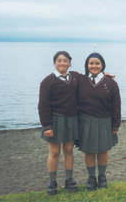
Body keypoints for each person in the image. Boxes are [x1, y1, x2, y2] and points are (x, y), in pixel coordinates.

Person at [77, 52, 121, 191]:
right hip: (86, 120)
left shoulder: (111, 83)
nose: (94, 66)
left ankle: (102, 177)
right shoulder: (80, 81)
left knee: (102, 151)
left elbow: (116, 105)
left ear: (102, 65)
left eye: (97, 63)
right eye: (91, 63)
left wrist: (115, 124)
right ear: (87, 65)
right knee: (89, 151)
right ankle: (91, 178)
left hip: (105, 121)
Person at [38, 51, 80, 195]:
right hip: (55, 121)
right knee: (54, 153)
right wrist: (47, 126)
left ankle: (69, 180)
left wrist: (105, 75)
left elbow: (90, 76)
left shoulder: (75, 77)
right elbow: (43, 105)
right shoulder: (47, 81)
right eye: (59, 60)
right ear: (55, 63)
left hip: (72, 119)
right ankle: (52, 182)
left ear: (69, 62)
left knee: (69, 151)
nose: (62, 63)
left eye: (65, 60)